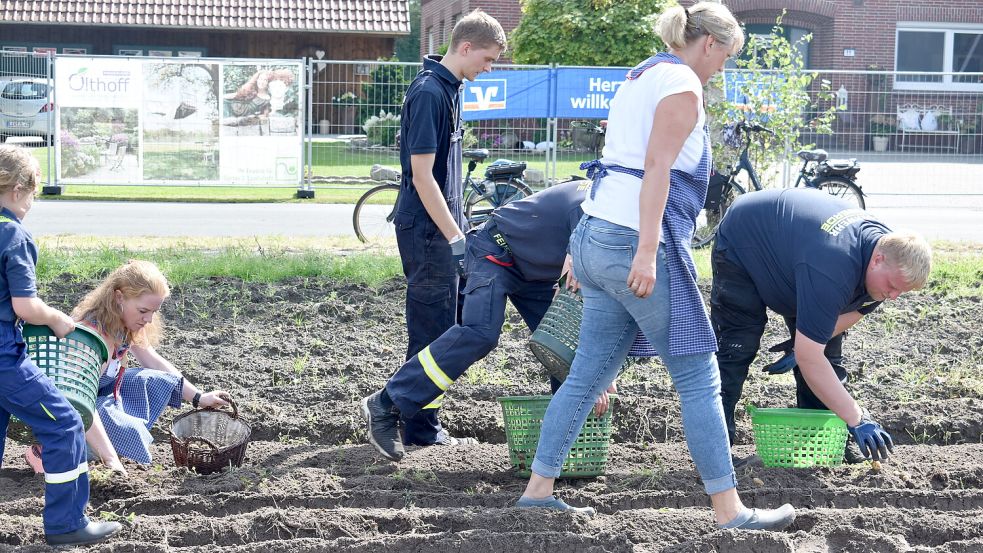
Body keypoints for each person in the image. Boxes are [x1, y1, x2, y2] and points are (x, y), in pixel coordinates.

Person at [515, 3, 796, 531]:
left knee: (586, 375)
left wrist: (583, 247)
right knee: (698, 378)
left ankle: (538, 490)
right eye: (727, 57)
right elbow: (656, 171)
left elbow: (614, 165)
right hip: (634, 244)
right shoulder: (683, 87)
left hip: (597, 233)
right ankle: (730, 511)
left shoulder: (639, 75)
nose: (723, 70)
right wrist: (646, 251)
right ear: (709, 42)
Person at [362, 179, 622, 461]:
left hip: (537, 272)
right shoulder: (593, 207)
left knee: (564, 347)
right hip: (496, 252)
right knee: (481, 333)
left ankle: (567, 448)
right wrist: (590, 376)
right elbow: (570, 290)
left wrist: (594, 370)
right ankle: (386, 403)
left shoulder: (616, 206)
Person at [710, 187, 932, 464]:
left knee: (824, 353)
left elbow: (857, 310)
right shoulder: (835, 266)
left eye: (902, 292)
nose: (894, 296)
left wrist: (803, 343)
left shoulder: (889, 259)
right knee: (738, 346)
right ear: (877, 260)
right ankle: (715, 452)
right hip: (746, 240)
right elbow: (810, 356)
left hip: (799, 255)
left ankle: (817, 445)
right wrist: (857, 418)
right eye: (892, 287)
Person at [392, 9, 507, 448]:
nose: (489, 68)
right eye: (488, 59)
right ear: (465, 47)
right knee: (432, 331)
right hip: (427, 232)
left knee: (445, 327)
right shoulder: (429, 93)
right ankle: (420, 430)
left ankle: (417, 422)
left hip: (443, 228)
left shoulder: (450, 89)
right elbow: (423, 177)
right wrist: (454, 237)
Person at [0, 144, 121, 546]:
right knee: (66, 425)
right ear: (18, 189)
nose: (31, 203)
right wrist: (56, 319)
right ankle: (67, 523)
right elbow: (25, 305)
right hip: (3, 357)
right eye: (32, 194)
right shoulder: (13, 234)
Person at [25, 260, 230, 475]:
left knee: (156, 381)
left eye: (153, 312)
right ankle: (49, 451)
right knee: (130, 436)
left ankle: (99, 446)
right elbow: (79, 405)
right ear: (119, 297)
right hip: (72, 411)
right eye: (143, 310)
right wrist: (111, 459)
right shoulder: (92, 337)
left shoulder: (123, 324)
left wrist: (199, 397)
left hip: (101, 399)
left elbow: (154, 361)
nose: (148, 320)